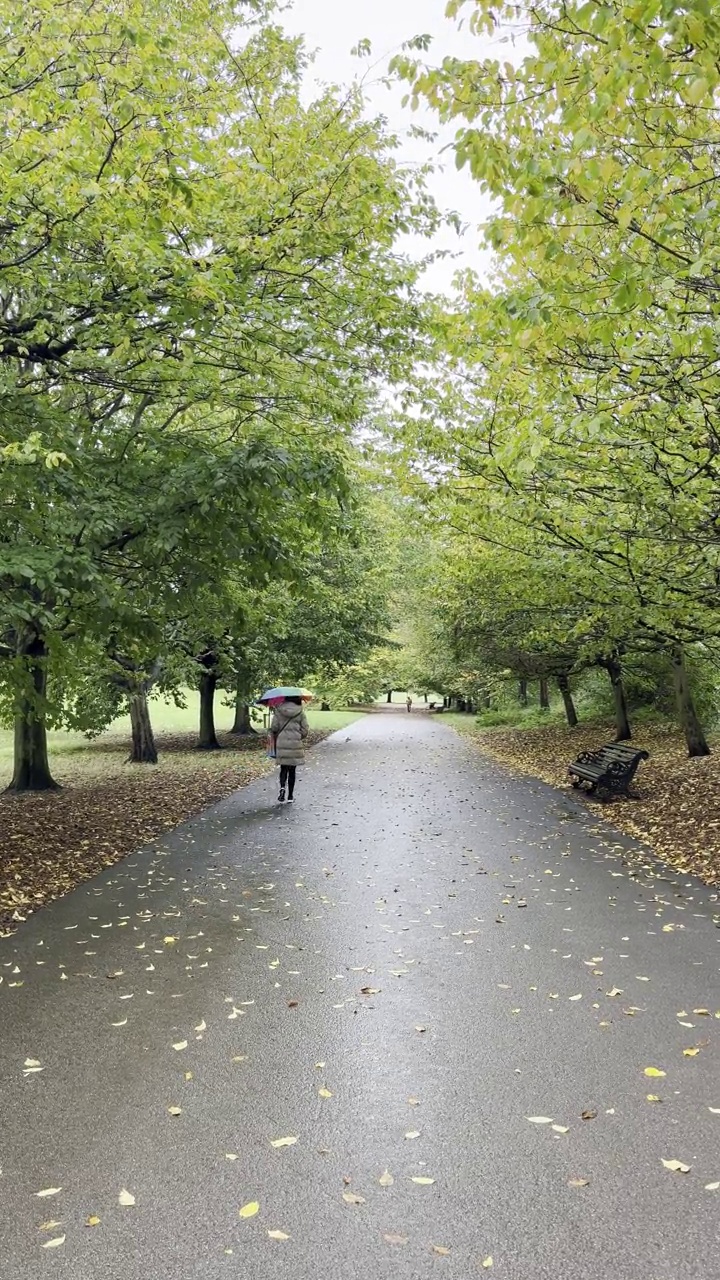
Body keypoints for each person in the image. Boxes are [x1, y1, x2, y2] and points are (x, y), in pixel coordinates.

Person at [271, 696, 309, 804]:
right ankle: (290, 796)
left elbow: (274, 727)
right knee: (292, 770)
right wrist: (298, 736)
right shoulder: (300, 712)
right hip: (295, 743)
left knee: (283, 768)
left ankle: (282, 787)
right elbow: (305, 729)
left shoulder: (279, 711)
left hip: (282, 743)